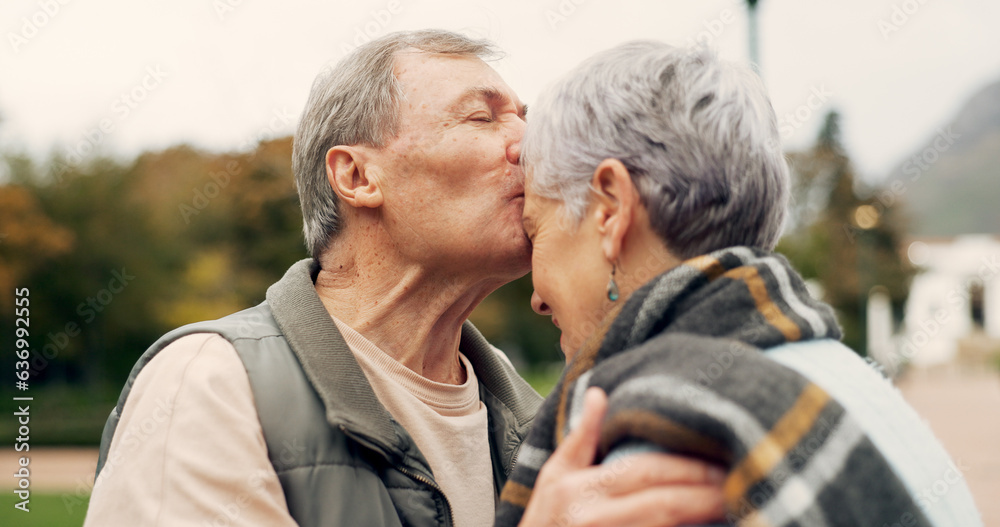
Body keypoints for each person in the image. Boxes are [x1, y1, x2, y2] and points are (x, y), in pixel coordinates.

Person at [84, 30, 727, 526]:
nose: (532, 145)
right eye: (483, 117)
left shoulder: (540, 421)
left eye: (526, 118)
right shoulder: (212, 383)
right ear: (358, 178)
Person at [497, 41, 983, 526]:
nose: (537, 298)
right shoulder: (850, 379)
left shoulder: (662, 442)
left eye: (536, 229)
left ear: (610, 209)